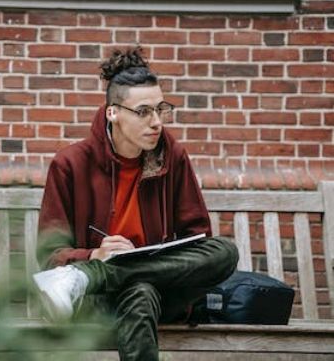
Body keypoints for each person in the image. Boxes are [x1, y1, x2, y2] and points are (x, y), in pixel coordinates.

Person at [33, 47, 238, 361]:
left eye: (161, 109)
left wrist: (115, 266)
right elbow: (50, 256)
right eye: (143, 111)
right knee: (139, 292)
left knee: (225, 252)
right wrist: (95, 255)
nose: (156, 122)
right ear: (113, 113)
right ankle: (93, 276)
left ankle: (89, 274)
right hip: (99, 299)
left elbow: (197, 238)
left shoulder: (172, 157)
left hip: (162, 289)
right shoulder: (71, 164)